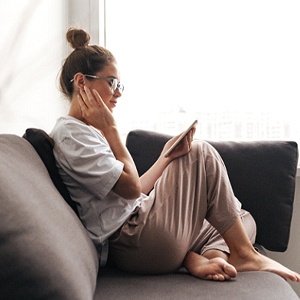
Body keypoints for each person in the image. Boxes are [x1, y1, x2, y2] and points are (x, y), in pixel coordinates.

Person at [50, 27, 300, 282]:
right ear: (82, 82)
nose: (119, 92)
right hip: (132, 242)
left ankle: (208, 258)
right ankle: (244, 253)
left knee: (241, 218)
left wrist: (166, 157)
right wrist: (112, 129)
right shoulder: (72, 135)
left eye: (120, 84)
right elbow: (130, 188)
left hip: (143, 228)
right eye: (112, 82)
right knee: (201, 152)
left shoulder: (88, 132)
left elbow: (133, 192)